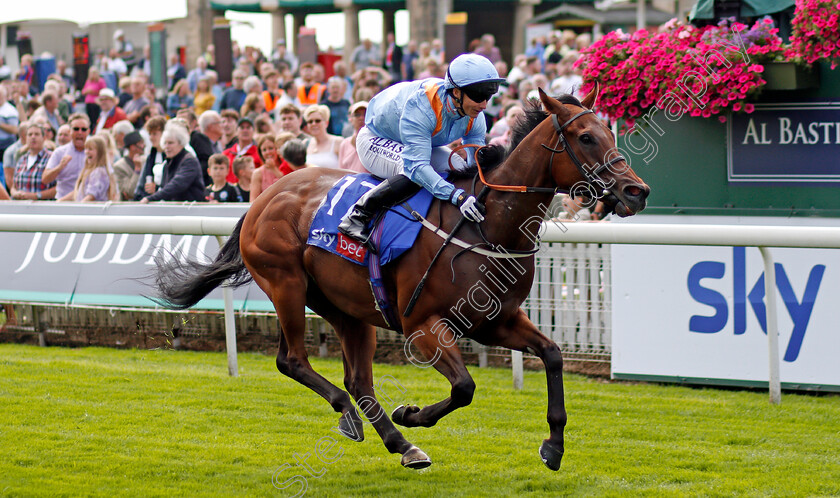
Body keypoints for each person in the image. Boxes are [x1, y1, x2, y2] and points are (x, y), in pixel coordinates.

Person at [338, 53, 504, 241]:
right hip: (375, 138)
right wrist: (457, 197)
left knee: (459, 169)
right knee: (413, 174)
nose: (484, 104)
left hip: (419, 140)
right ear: (456, 92)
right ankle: (357, 215)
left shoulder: (475, 113)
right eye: (478, 95)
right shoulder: (422, 107)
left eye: (489, 96)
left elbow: (475, 166)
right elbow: (417, 167)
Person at [139, 124, 204, 203]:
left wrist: (151, 198)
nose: (167, 146)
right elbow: (165, 187)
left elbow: (177, 185)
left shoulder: (189, 161)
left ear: (181, 143)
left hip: (191, 211)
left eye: (170, 143)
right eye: (165, 143)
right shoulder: (168, 163)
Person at [42, 113, 90, 200]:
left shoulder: (95, 152)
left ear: (88, 131)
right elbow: (45, 179)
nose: (80, 132)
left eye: (83, 129)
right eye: (76, 129)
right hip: (63, 202)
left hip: (87, 202)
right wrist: (59, 167)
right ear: (70, 131)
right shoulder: (60, 152)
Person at [59, 136, 116, 201]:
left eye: (90, 149)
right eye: (86, 149)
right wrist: (61, 201)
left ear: (100, 152)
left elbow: (91, 196)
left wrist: (80, 207)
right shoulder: (89, 171)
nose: (86, 152)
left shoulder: (99, 172)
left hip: (92, 210)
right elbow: (79, 193)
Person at [10, 124, 56, 200]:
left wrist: (36, 196)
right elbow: (14, 186)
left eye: (37, 134)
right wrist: (15, 193)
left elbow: (59, 187)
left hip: (44, 207)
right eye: (30, 134)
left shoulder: (52, 158)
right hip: (21, 207)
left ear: (44, 138)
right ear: (26, 138)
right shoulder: (22, 159)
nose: (33, 137)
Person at [250, 132, 295, 201]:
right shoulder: (258, 173)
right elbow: (253, 200)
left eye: (271, 148)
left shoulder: (288, 166)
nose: (268, 152)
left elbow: (290, 186)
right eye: (264, 150)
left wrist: (273, 168)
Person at [133, 116, 166, 201]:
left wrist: (157, 188)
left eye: (155, 134)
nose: (151, 137)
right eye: (150, 134)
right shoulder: (151, 157)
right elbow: (141, 185)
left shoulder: (170, 156)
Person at [222, 117, 262, 183]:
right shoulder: (226, 153)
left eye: (248, 128)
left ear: (253, 131)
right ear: (236, 131)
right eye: (242, 128)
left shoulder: (259, 153)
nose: (245, 130)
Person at [112, 131, 145, 200]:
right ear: (132, 147)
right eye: (141, 143)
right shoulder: (119, 167)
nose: (144, 145)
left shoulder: (146, 161)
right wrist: (137, 170)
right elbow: (130, 192)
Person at [338, 101, 368, 173]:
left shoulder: (378, 142)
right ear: (350, 118)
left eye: (365, 114)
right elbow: (340, 171)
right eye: (357, 115)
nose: (361, 118)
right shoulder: (344, 144)